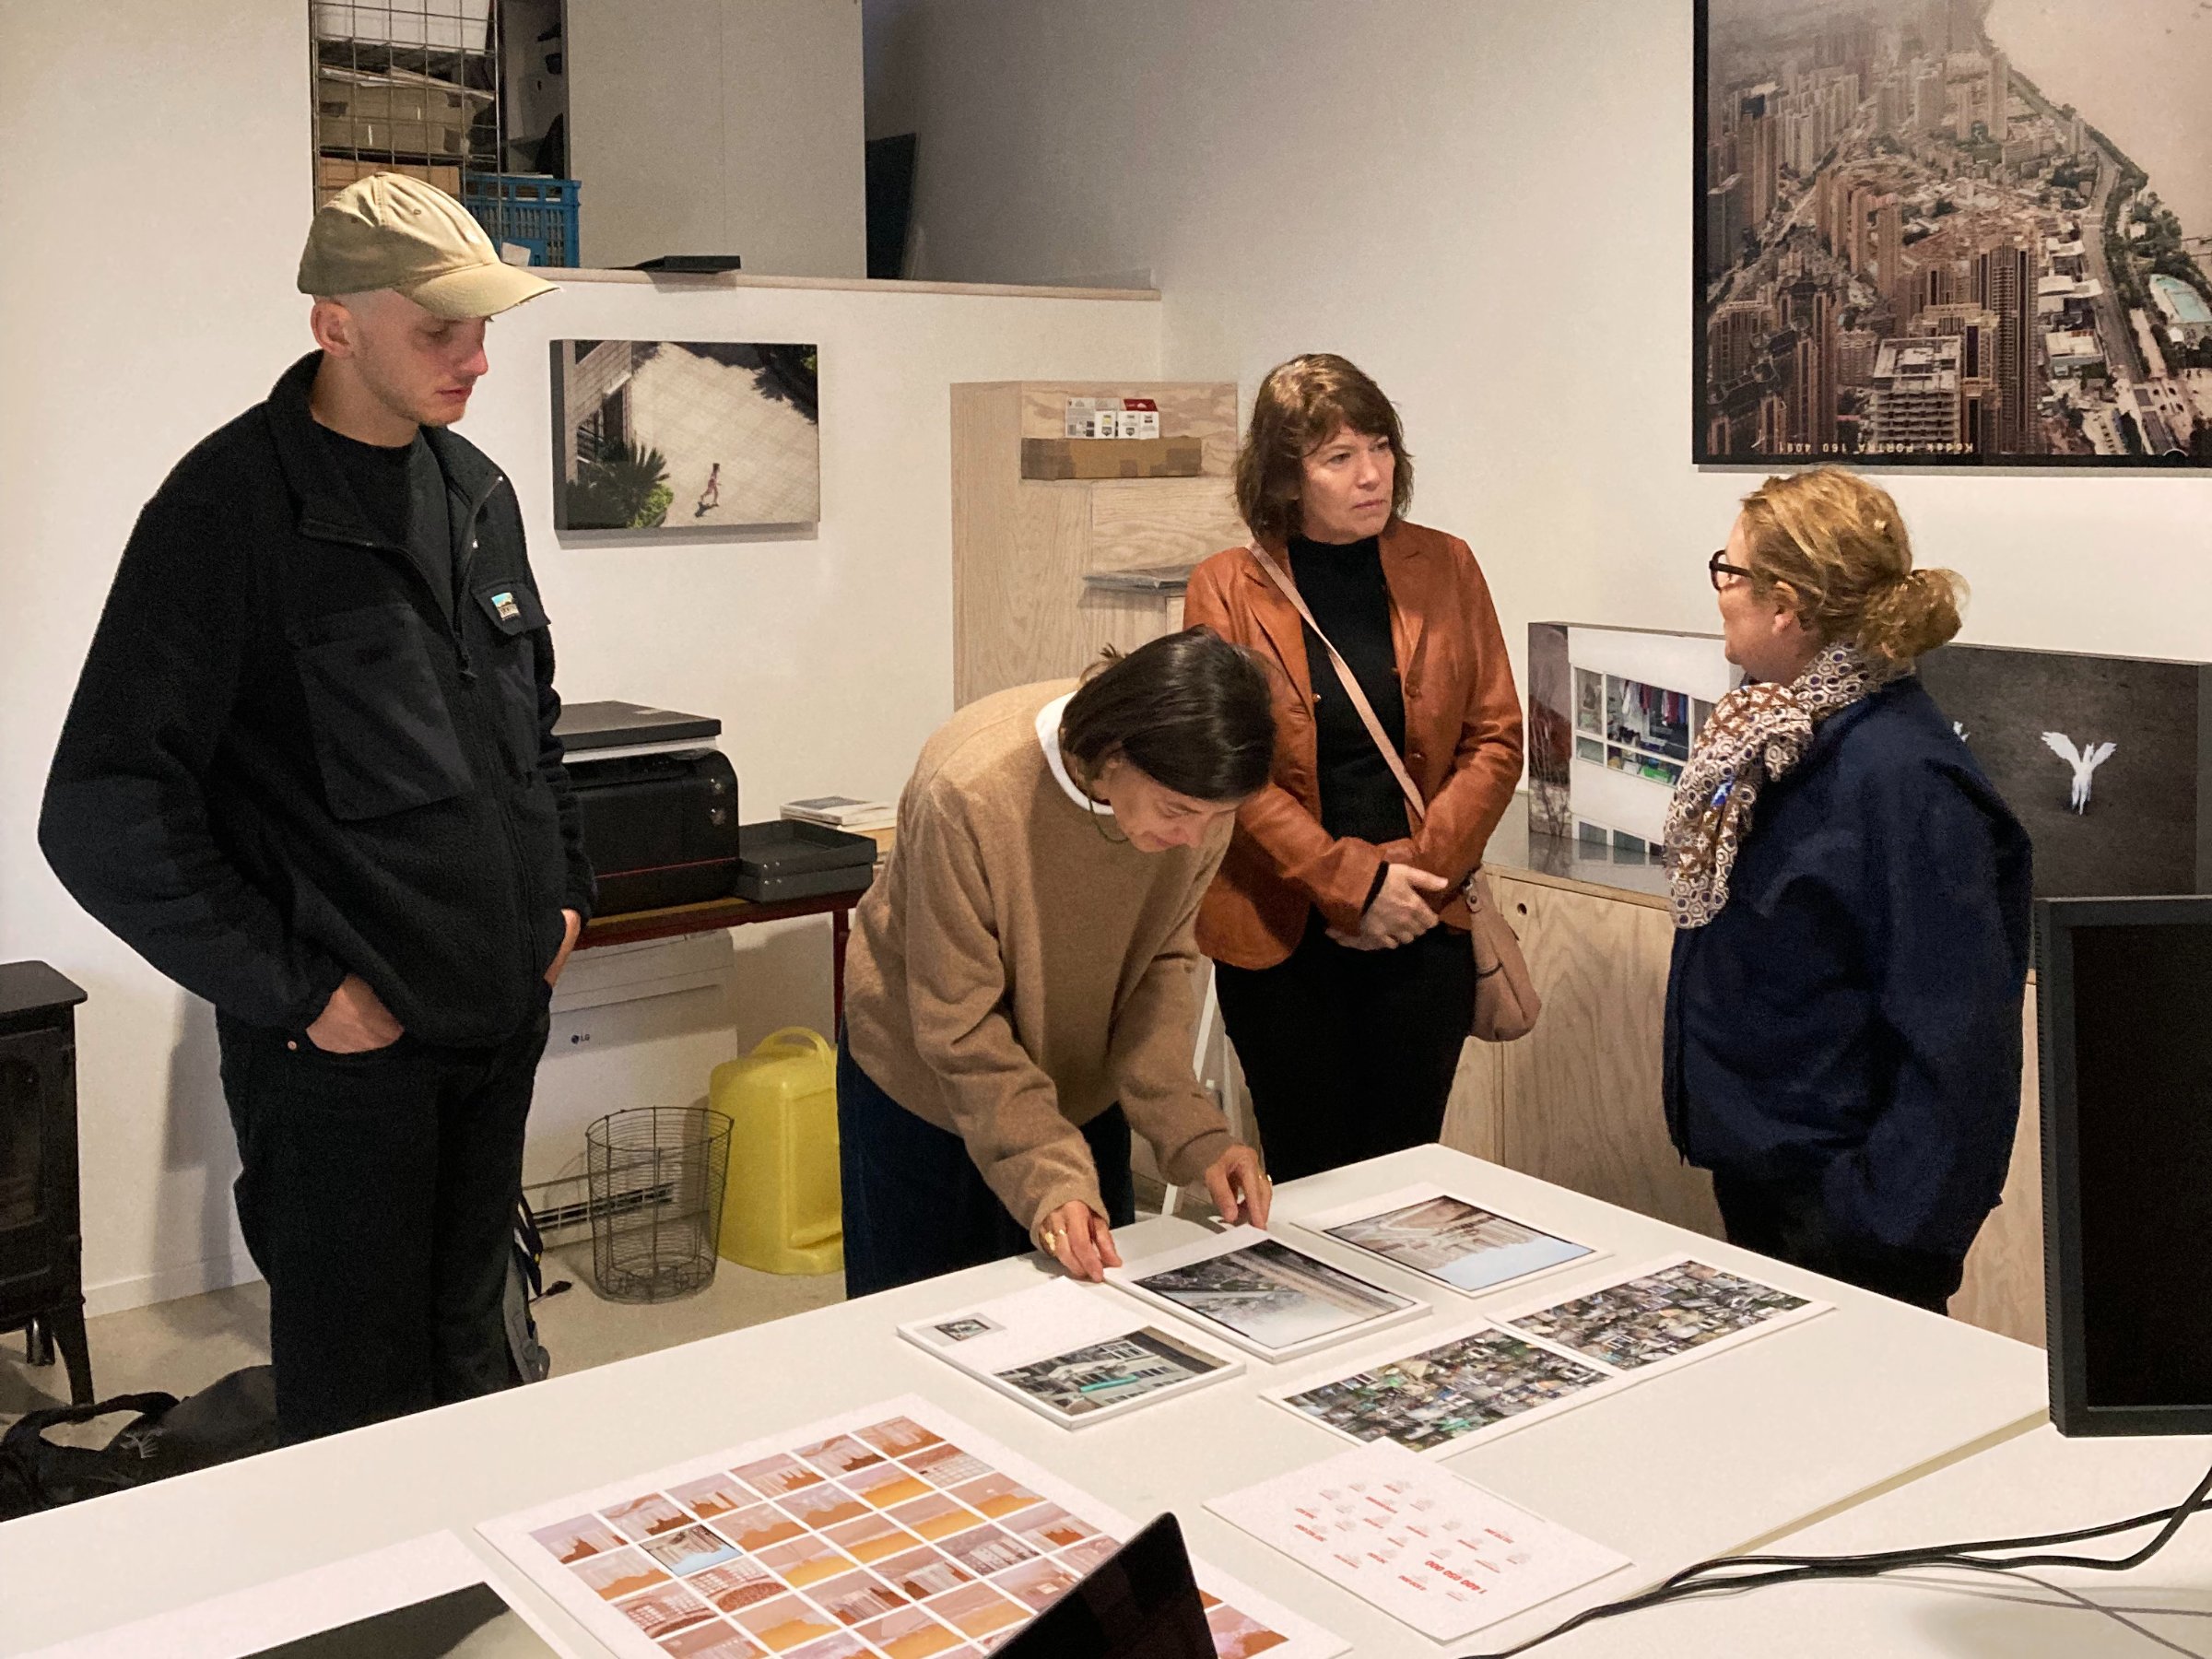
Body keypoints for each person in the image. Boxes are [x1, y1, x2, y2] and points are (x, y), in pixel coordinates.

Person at [40, 175, 594, 1441]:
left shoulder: (476, 497)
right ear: (333, 324)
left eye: (482, 328)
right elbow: (104, 808)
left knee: (474, 1346)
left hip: (495, 1030)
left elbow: (532, 729)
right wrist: (297, 992)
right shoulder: (223, 513)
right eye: (438, 331)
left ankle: (464, 1596)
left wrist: (563, 901)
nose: (478, 360)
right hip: (347, 1067)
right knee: (355, 1386)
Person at [1662, 467, 2031, 1313]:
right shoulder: (1780, 737)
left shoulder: (1906, 779)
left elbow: (1959, 1045)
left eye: (1732, 570)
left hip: (1848, 1223)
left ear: (1785, 605)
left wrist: (1878, 1224)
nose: (1721, 592)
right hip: (1771, 1187)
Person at [839, 629, 1277, 1297]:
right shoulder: (968, 791)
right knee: (931, 1328)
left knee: (1095, 1322)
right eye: (1178, 812)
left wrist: (1196, 1137)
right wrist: (1048, 1172)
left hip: (1076, 1082)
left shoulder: (1197, 805)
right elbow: (959, 1027)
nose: (1193, 837)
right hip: (926, 1088)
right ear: (1114, 755)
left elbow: (1159, 968)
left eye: (1217, 818)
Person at [1182, 354, 1523, 1182]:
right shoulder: (1225, 587)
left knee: (1409, 1175)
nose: (1372, 475)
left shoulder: (1446, 564)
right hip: (1283, 933)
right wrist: (1352, 885)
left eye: (1380, 447)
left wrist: (1411, 878)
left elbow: (1496, 738)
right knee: (1308, 1173)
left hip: (1422, 924)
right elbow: (1234, 771)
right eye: (1339, 458)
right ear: (1286, 476)